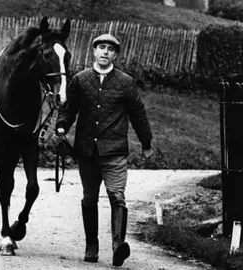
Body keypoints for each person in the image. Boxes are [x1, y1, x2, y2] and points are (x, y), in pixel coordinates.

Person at [54, 33, 154, 267]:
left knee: (117, 196)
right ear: (94, 51)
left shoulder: (125, 82)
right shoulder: (80, 80)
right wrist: (61, 127)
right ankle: (91, 245)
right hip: (87, 151)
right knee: (89, 199)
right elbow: (69, 109)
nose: (105, 52)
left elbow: (138, 114)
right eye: (101, 47)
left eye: (110, 49)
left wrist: (146, 142)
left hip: (115, 152)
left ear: (116, 55)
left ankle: (118, 246)